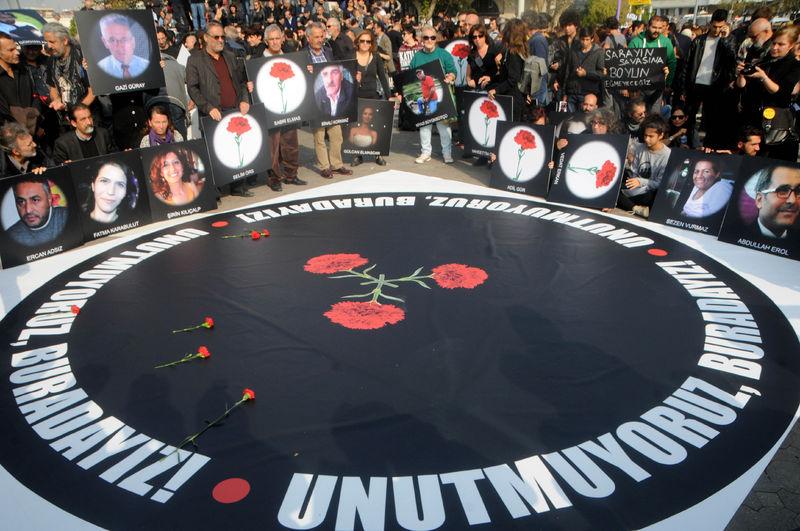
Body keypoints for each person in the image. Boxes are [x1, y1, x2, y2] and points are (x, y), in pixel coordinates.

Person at [186, 21, 254, 196]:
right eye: (216, 37)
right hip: (212, 114)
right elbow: (192, 88)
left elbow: (241, 82)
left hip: (233, 110)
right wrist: (207, 107)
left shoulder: (230, 56)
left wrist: (245, 99)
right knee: (214, 152)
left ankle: (237, 186)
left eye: (222, 36)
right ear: (206, 38)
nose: (220, 40)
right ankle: (215, 190)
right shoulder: (195, 59)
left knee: (235, 149)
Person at [736, 25, 800, 161]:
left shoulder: (795, 66)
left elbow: (782, 93)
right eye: (774, 43)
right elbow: (743, 87)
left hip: (777, 125)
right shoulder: (764, 61)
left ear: (791, 46)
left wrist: (764, 77)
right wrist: (741, 75)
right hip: (754, 120)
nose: (775, 47)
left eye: (781, 44)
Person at [678, 9, 736, 149]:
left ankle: (708, 147)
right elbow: (687, 64)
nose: (716, 30)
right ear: (710, 24)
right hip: (696, 84)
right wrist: (684, 88)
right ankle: (692, 145)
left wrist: (725, 40)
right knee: (690, 118)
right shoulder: (699, 40)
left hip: (715, 86)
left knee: (711, 119)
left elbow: (731, 62)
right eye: (714, 26)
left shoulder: (728, 41)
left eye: (720, 27)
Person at [305, 21, 352, 179]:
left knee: (336, 134)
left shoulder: (328, 51)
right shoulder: (302, 54)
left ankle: (337, 164)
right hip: (315, 100)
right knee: (319, 136)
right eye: (316, 37)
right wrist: (307, 71)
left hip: (332, 98)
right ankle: (325, 166)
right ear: (308, 38)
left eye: (322, 36)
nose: (320, 39)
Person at [262, 24, 302, 190]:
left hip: (289, 107)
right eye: (271, 39)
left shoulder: (290, 59)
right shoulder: (259, 60)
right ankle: (275, 178)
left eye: (277, 38)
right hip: (270, 109)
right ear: (266, 41)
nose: (275, 42)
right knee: (273, 147)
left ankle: (291, 175)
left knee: (291, 143)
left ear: (282, 39)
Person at [409, 25, 456, 164]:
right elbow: (411, 78)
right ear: (421, 39)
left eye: (432, 37)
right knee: (425, 126)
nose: (429, 40)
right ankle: (425, 153)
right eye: (426, 37)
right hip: (424, 98)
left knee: (444, 127)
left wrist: (451, 77)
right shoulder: (416, 58)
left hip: (440, 96)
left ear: (436, 39)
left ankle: (447, 153)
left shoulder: (444, 54)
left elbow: (453, 71)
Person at [42, 23, 96, 132]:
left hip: (88, 118)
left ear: (65, 41)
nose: (49, 46)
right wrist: (57, 100)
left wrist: (76, 113)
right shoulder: (51, 60)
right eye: (47, 42)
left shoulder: (83, 57)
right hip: (65, 122)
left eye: (52, 42)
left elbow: (93, 92)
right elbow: (53, 89)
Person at [617, 114, 671, 218]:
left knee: (658, 195)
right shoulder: (639, 148)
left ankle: (628, 205)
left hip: (650, 190)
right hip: (635, 187)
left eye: (651, 136)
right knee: (615, 187)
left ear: (661, 135)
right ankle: (636, 209)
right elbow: (633, 172)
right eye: (645, 135)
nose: (646, 139)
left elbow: (661, 184)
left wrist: (640, 182)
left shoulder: (667, 155)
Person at [352, 28, 393, 166]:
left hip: (373, 95)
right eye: (362, 41)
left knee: (375, 125)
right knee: (357, 125)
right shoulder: (352, 56)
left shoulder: (375, 56)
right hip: (356, 96)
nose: (365, 44)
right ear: (357, 42)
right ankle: (358, 155)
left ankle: (378, 154)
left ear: (371, 44)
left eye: (368, 42)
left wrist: (389, 96)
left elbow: (382, 76)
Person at [628, 15, 675, 114]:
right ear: (648, 26)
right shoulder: (636, 42)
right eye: (654, 27)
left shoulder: (666, 42)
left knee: (654, 117)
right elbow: (628, 64)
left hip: (657, 88)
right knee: (638, 115)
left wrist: (668, 82)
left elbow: (672, 62)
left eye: (659, 28)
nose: (657, 30)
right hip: (639, 89)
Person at [7, 176, 67, 247]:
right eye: (21, 202)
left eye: (35, 200)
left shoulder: (68, 217)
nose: (28, 210)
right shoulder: (10, 236)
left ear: (49, 199)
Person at [488, 18, 527, 121]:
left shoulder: (513, 53)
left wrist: (496, 90)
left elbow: (513, 79)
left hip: (512, 99)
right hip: (519, 97)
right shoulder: (522, 50)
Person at [751, 165, 800, 239]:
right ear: (759, 200)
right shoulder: (735, 232)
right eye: (783, 191)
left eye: (798, 191)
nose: (793, 200)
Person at [97, 14, 150, 79]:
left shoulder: (146, 66)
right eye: (112, 40)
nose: (119, 46)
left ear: (133, 41)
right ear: (105, 42)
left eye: (124, 39)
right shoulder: (100, 69)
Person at [564, 27, 604, 113]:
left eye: (587, 39)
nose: (585, 42)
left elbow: (601, 73)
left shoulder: (599, 52)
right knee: (570, 120)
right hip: (572, 92)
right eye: (582, 39)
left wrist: (586, 74)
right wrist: (564, 92)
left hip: (587, 95)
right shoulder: (573, 50)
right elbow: (567, 71)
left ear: (592, 39)